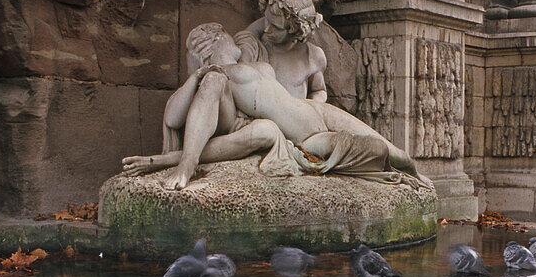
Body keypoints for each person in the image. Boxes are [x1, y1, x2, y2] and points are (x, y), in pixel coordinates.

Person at [122, 24, 429, 191]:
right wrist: (198, 70)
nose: (227, 34)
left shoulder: (251, 56)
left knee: (396, 154)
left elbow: (267, 23)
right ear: (209, 46)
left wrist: (294, 10)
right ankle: (184, 164)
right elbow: (173, 115)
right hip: (307, 141)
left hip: (314, 111)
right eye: (216, 34)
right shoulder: (216, 77)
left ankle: (415, 169)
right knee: (378, 151)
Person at [234, 0, 328, 102]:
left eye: (276, 27)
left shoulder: (312, 56)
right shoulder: (253, 45)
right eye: (266, 20)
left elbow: (319, 91)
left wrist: (311, 106)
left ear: (297, 31)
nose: (266, 29)